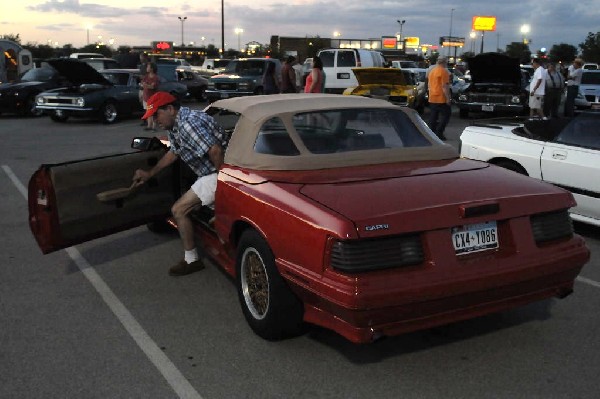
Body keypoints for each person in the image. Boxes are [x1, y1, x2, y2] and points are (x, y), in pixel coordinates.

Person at [132, 92, 228, 277]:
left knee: (179, 210)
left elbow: (215, 151)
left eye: (156, 115)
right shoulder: (175, 124)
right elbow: (174, 152)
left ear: (170, 108)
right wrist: (149, 173)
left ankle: (192, 260)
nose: (154, 120)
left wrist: (224, 185)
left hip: (218, 172)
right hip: (212, 173)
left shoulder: (187, 124)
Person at [427, 57, 451, 141]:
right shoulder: (444, 72)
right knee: (446, 115)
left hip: (432, 97)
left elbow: (429, 84)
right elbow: (445, 86)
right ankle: (439, 133)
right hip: (441, 97)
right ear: (444, 62)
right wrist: (448, 98)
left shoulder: (432, 71)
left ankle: (431, 133)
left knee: (433, 116)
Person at [141, 62, 160, 131]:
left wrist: (146, 85)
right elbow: (143, 84)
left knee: (153, 112)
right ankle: (149, 125)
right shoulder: (146, 76)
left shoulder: (155, 77)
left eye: (148, 67)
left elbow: (152, 87)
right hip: (146, 97)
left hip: (152, 98)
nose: (147, 68)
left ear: (152, 69)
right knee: (148, 112)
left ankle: (154, 126)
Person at [137, 53, 149, 126]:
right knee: (142, 101)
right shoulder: (141, 66)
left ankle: (146, 119)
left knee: (146, 103)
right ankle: (146, 118)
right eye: (140, 57)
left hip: (146, 86)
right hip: (142, 85)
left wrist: (143, 77)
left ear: (145, 57)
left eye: (141, 57)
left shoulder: (148, 66)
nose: (140, 59)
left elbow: (148, 75)